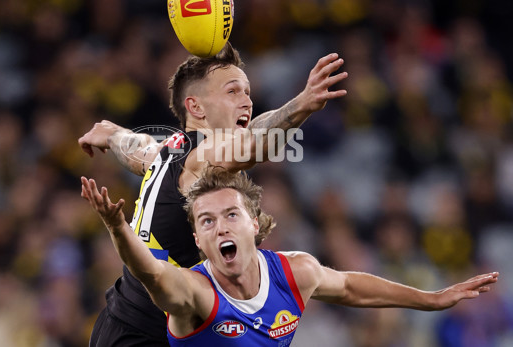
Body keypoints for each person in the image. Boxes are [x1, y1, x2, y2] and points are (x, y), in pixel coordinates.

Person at [79, 43, 348, 346]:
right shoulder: (205, 153)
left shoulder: (171, 149)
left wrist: (113, 134)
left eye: (247, 91)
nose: (246, 100)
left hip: (125, 322)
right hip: (147, 336)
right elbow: (255, 144)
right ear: (196, 107)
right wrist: (303, 103)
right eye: (233, 91)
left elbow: (138, 149)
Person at [80, 168, 499, 347]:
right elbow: (152, 274)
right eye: (206, 222)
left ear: (256, 225)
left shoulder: (294, 271)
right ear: (198, 241)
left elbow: (351, 287)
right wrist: (118, 229)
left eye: (231, 215)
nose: (221, 227)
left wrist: (431, 298)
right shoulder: (195, 294)